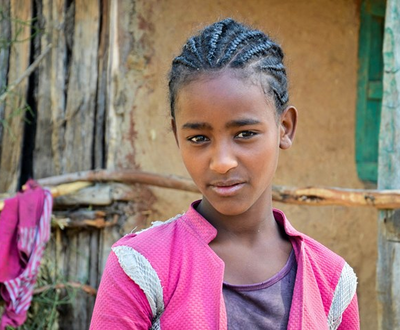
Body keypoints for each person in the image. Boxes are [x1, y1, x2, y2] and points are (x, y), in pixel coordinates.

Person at [90, 18, 359, 329]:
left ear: (284, 128)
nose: (221, 162)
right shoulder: (140, 267)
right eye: (199, 138)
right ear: (178, 136)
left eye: (245, 134)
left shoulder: (333, 282)